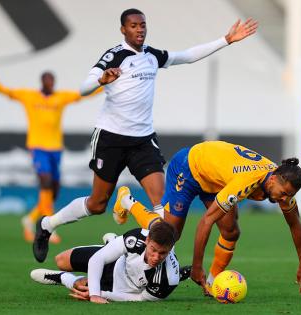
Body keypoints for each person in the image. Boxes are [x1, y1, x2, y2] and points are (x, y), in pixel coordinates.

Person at [33, 8, 259, 262]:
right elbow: (84, 88)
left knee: (163, 205)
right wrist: (102, 79)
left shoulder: (152, 55)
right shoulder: (115, 55)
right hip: (111, 138)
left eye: (142, 24)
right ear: (123, 30)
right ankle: (47, 225)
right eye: (133, 25)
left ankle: (147, 259)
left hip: (143, 140)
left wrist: (225, 40)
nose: (139, 29)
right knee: (97, 204)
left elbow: (185, 56)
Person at [112, 140, 301, 294]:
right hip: (188, 168)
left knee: (231, 231)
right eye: (283, 193)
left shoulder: (279, 184)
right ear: (274, 178)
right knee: (168, 235)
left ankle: (213, 282)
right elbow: (206, 221)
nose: (284, 199)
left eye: (289, 196)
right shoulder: (246, 182)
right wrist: (196, 266)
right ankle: (127, 201)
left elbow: (295, 224)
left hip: (215, 178)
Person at [0, 53, 102, 243]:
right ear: (42, 82)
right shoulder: (29, 96)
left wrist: (106, 83)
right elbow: (1, 89)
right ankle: (49, 228)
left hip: (55, 149)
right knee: (46, 181)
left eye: (52, 81)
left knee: (54, 190)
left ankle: (30, 219)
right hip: (37, 147)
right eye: (47, 80)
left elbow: (85, 94)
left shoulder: (61, 97)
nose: (50, 83)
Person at [30, 221, 189, 303]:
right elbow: (97, 259)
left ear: (170, 249)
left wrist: (100, 294)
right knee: (61, 260)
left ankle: (63, 278)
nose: (156, 257)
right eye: (153, 249)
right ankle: (113, 243)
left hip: (123, 288)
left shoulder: (168, 278)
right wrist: (94, 294)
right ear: (147, 240)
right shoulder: (137, 238)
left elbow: (140, 298)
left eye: (162, 253)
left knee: (83, 286)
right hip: (118, 262)